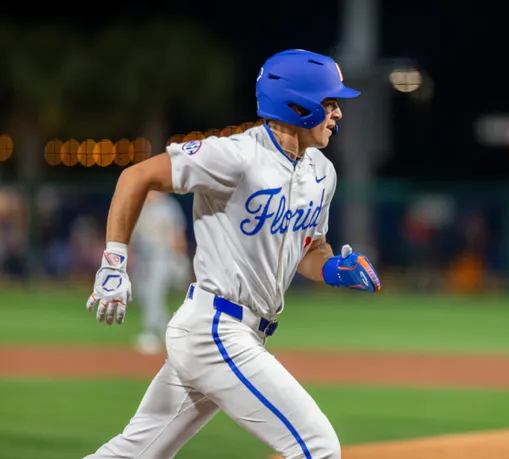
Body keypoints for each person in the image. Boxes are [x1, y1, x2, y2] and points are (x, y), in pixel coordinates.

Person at [83, 49, 381, 459]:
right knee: (317, 446)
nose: (339, 113)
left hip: (236, 332)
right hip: (216, 328)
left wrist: (333, 268)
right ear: (298, 105)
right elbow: (136, 176)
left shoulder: (321, 172)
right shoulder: (236, 155)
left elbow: (309, 249)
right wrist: (114, 260)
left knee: (134, 453)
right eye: (330, 103)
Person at [130, 190, 190, 354]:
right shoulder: (140, 205)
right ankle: (170, 332)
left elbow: (177, 234)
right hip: (143, 257)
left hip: (163, 257)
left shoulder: (168, 206)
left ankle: (150, 333)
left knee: (153, 293)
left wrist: (180, 257)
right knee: (142, 294)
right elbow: (133, 234)